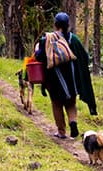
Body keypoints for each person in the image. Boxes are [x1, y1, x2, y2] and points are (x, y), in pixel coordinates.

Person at [35, 11, 97, 139]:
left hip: (54, 79)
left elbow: (39, 56)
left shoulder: (47, 39)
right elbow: (85, 56)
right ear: (68, 25)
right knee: (70, 103)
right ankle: (73, 122)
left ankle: (61, 131)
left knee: (56, 103)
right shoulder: (73, 39)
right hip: (71, 79)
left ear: (55, 24)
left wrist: (37, 50)